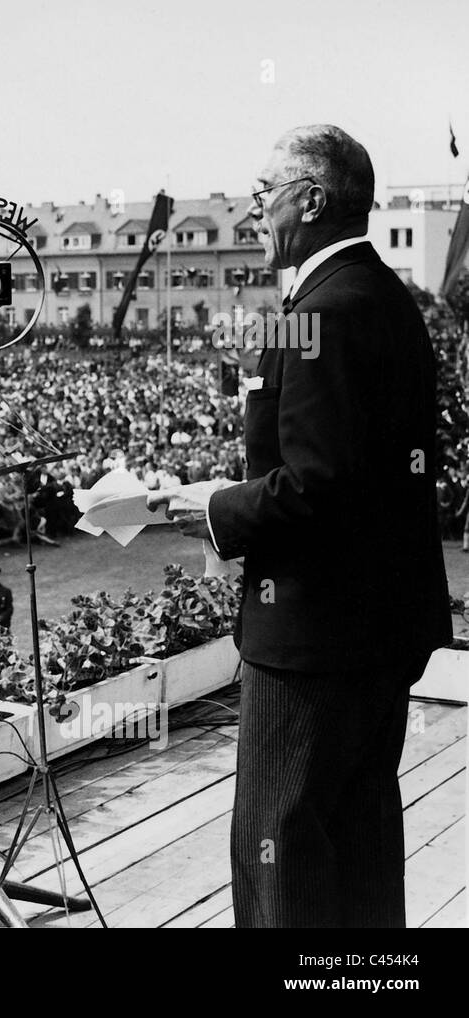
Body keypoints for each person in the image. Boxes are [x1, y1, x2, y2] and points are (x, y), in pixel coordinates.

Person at [153, 125, 451, 929]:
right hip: (378, 629)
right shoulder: (380, 295)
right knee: (358, 845)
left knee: (278, 846)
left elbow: (318, 486)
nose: (253, 209)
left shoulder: (322, 311)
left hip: (314, 639)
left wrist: (212, 510)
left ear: (312, 199)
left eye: (264, 193)